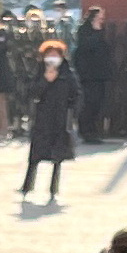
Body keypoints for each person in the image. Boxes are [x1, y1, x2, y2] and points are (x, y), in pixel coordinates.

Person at [24, 35, 81, 202]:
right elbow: (32, 92)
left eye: (56, 55)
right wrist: (45, 81)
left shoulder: (68, 73)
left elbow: (76, 94)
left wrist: (73, 112)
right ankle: (27, 185)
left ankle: (53, 188)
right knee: (35, 155)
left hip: (60, 119)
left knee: (57, 157)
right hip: (42, 119)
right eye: (49, 55)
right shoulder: (39, 71)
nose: (52, 58)